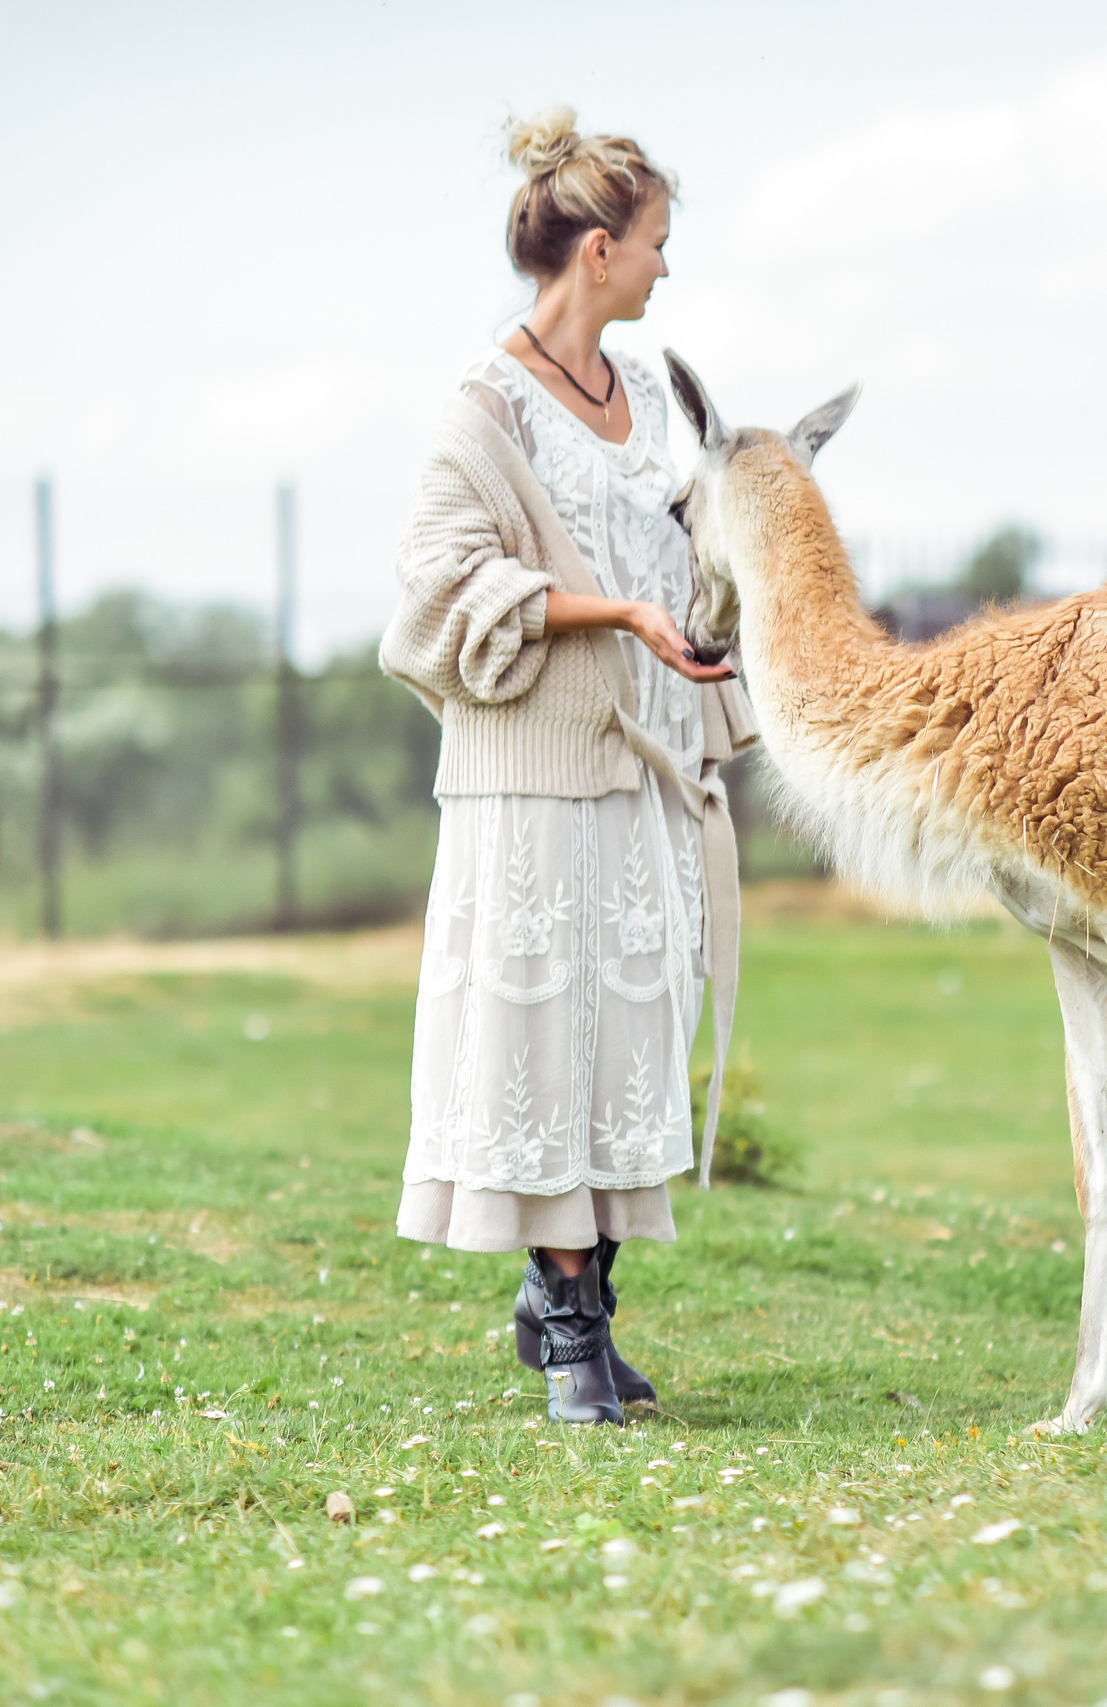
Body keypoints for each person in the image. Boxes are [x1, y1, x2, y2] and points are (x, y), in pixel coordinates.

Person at [379, 106, 756, 1426]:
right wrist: (611, 617)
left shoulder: (647, 400)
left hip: (643, 765)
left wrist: (710, 624)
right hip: (531, 785)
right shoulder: (481, 411)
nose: (665, 267)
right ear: (596, 249)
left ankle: (570, 1301)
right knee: (541, 1040)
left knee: (620, 1044)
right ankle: (572, 1328)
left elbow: (678, 560)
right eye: (655, 243)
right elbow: (437, 597)